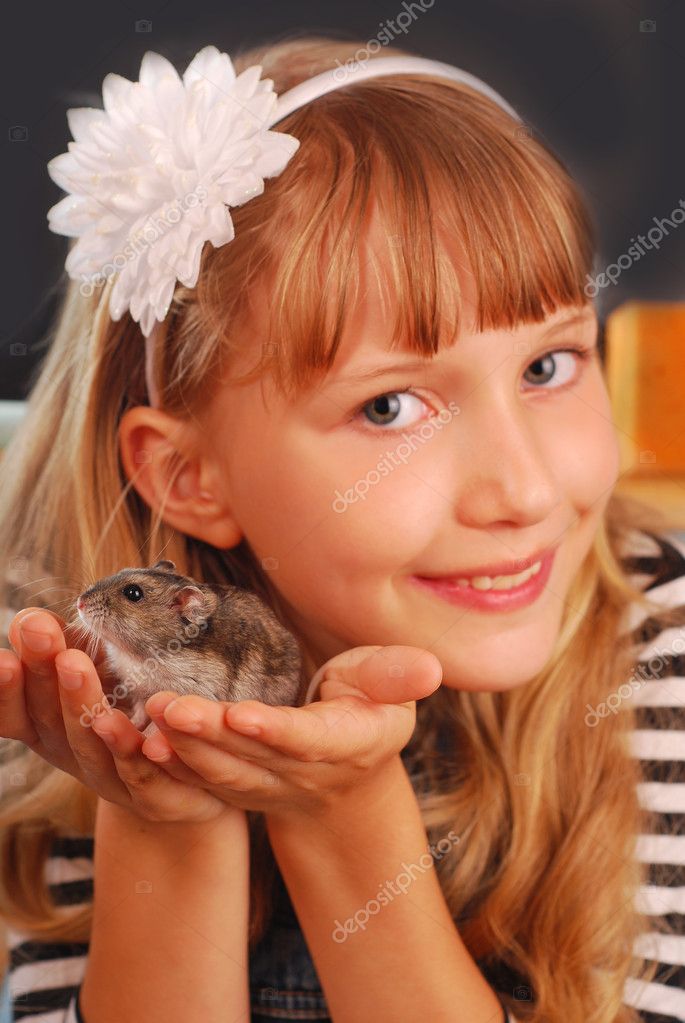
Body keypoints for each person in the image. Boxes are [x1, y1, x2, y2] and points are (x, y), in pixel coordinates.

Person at [0, 33, 683, 1023]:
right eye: (390, 407)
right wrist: (167, 814)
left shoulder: (656, 659)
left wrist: (344, 817)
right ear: (188, 476)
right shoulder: (90, 685)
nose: (522, 490)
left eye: (546, 368)